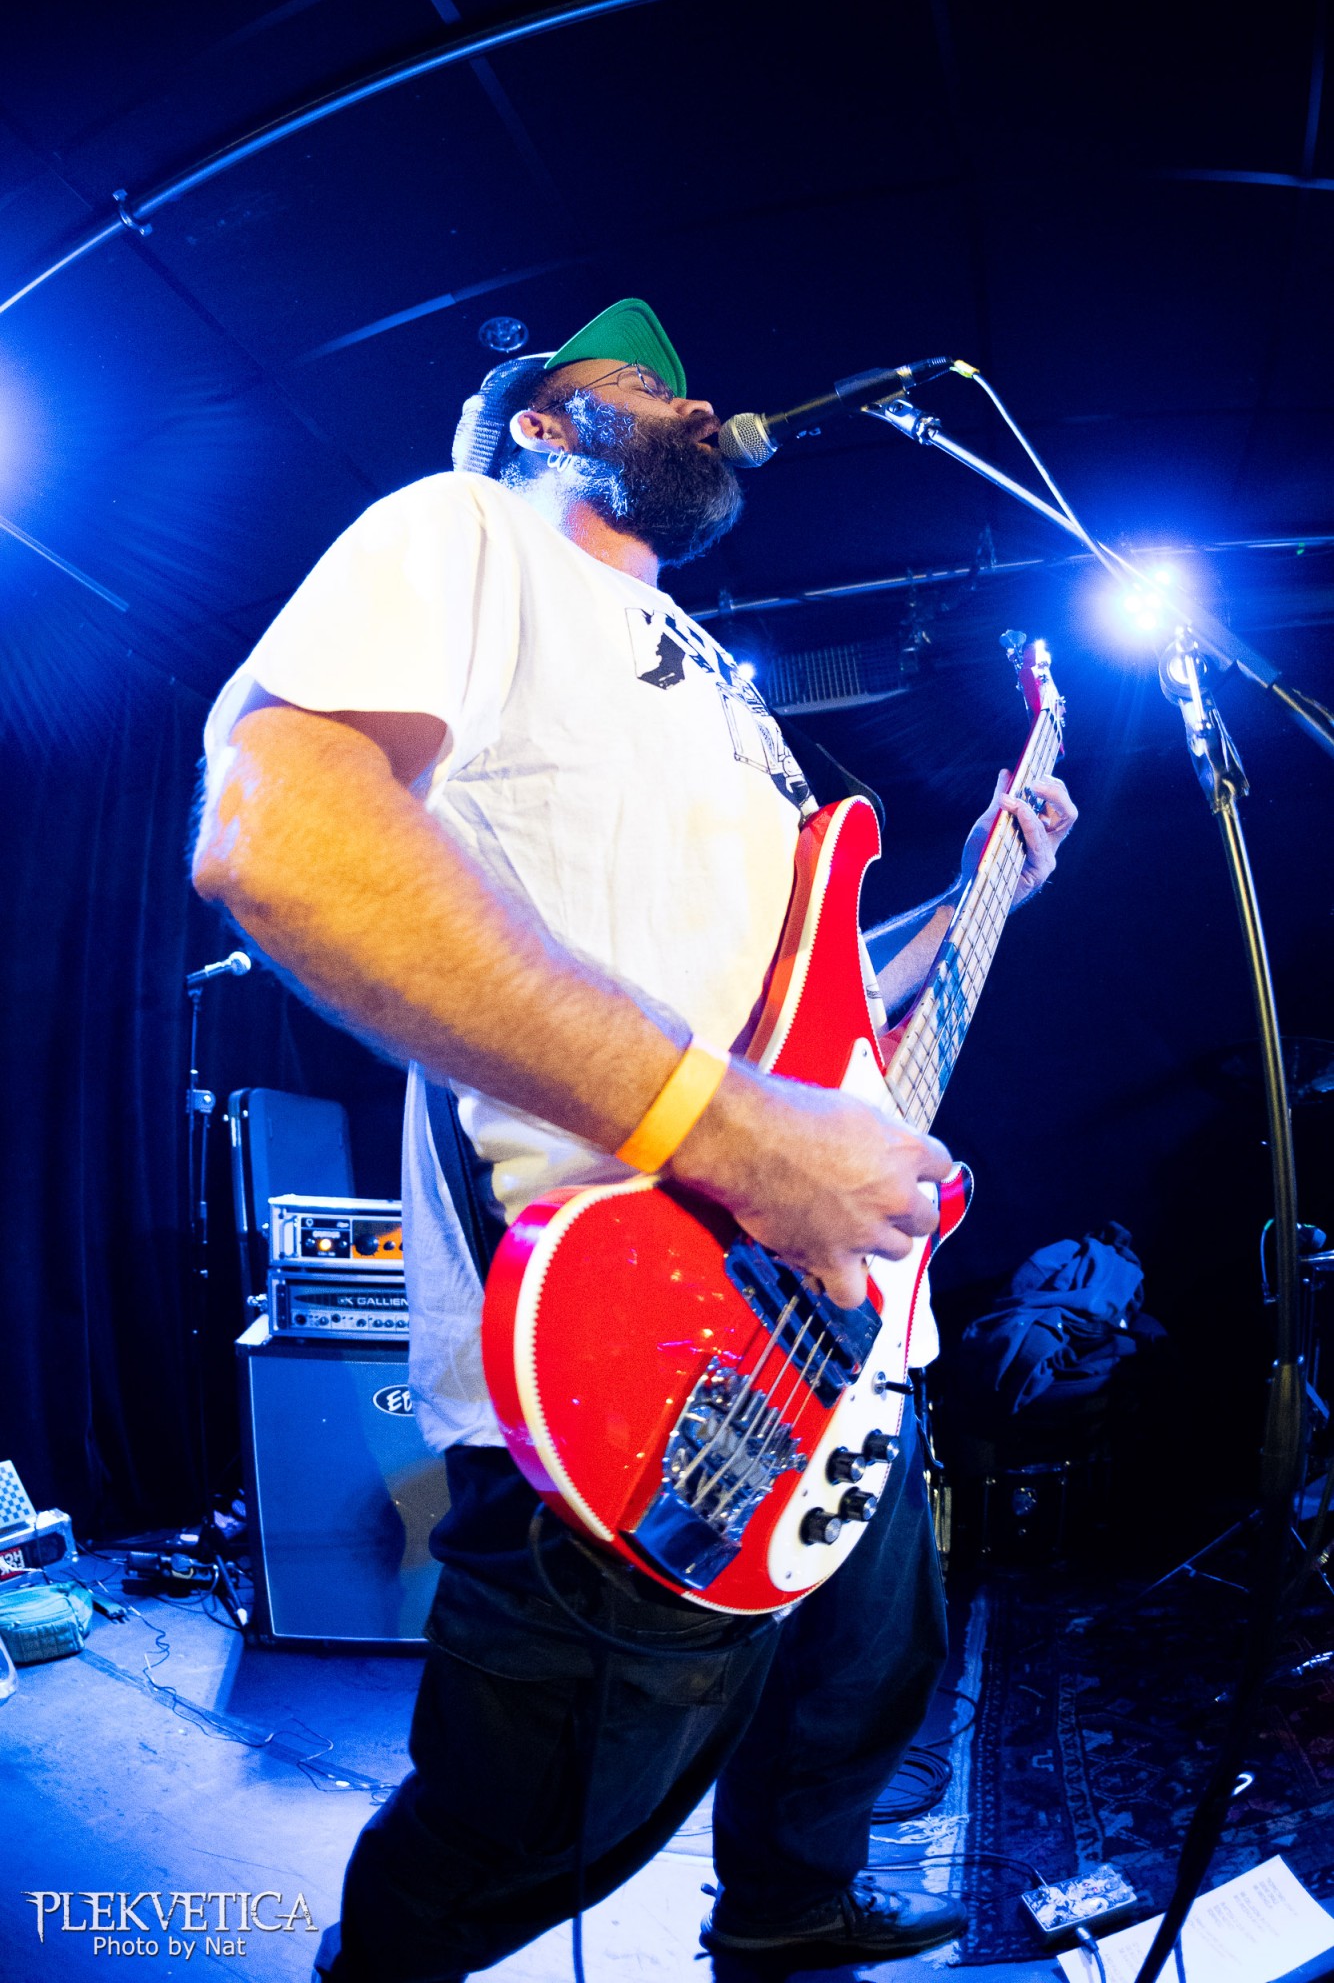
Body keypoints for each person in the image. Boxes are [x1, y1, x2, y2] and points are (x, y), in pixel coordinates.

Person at [193, 298, 1076, 1980]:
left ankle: (789, 1919)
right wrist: (729, 1128)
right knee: (526, 1826)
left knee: (856, 1690)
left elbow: (807, 1013)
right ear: (541, 425)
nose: (693, 399)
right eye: (639, 385)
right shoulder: (467, 535)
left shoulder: (726, 702)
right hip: (628, 1337)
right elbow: (277, 828)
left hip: (834, 1332)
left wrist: (978, 895)